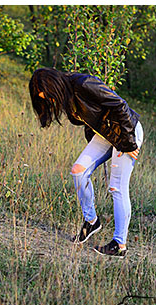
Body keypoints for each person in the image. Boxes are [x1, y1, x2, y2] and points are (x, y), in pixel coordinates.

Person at [28, 67, 143, 258]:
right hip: (106, 135)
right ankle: (91, 222)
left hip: (126, 131)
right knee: (78, 171)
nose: (48, 100)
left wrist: (129, 142)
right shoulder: (66, 96)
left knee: (117, 187)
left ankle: (119, 245)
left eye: (47, 95)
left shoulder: (83, 84)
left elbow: (120, 105)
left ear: (54, 85)